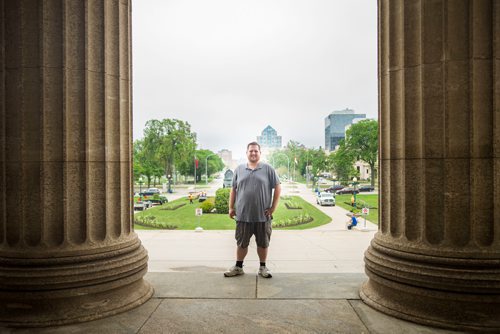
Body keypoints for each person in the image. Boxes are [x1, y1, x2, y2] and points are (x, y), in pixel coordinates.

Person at [224, 142, 281, 278]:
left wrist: (273, 207)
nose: (253, 153)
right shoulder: (239, 169)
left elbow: (278, 187)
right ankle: (238, 267)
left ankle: (263, 267)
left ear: (260, 153)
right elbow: (233, 189)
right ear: (247, 153)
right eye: (251, 151)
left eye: (256, 151)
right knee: (241, 243)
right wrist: (231, 207)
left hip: (263, 216)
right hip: (243, 215)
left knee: (263, 243)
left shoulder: (268, 169)